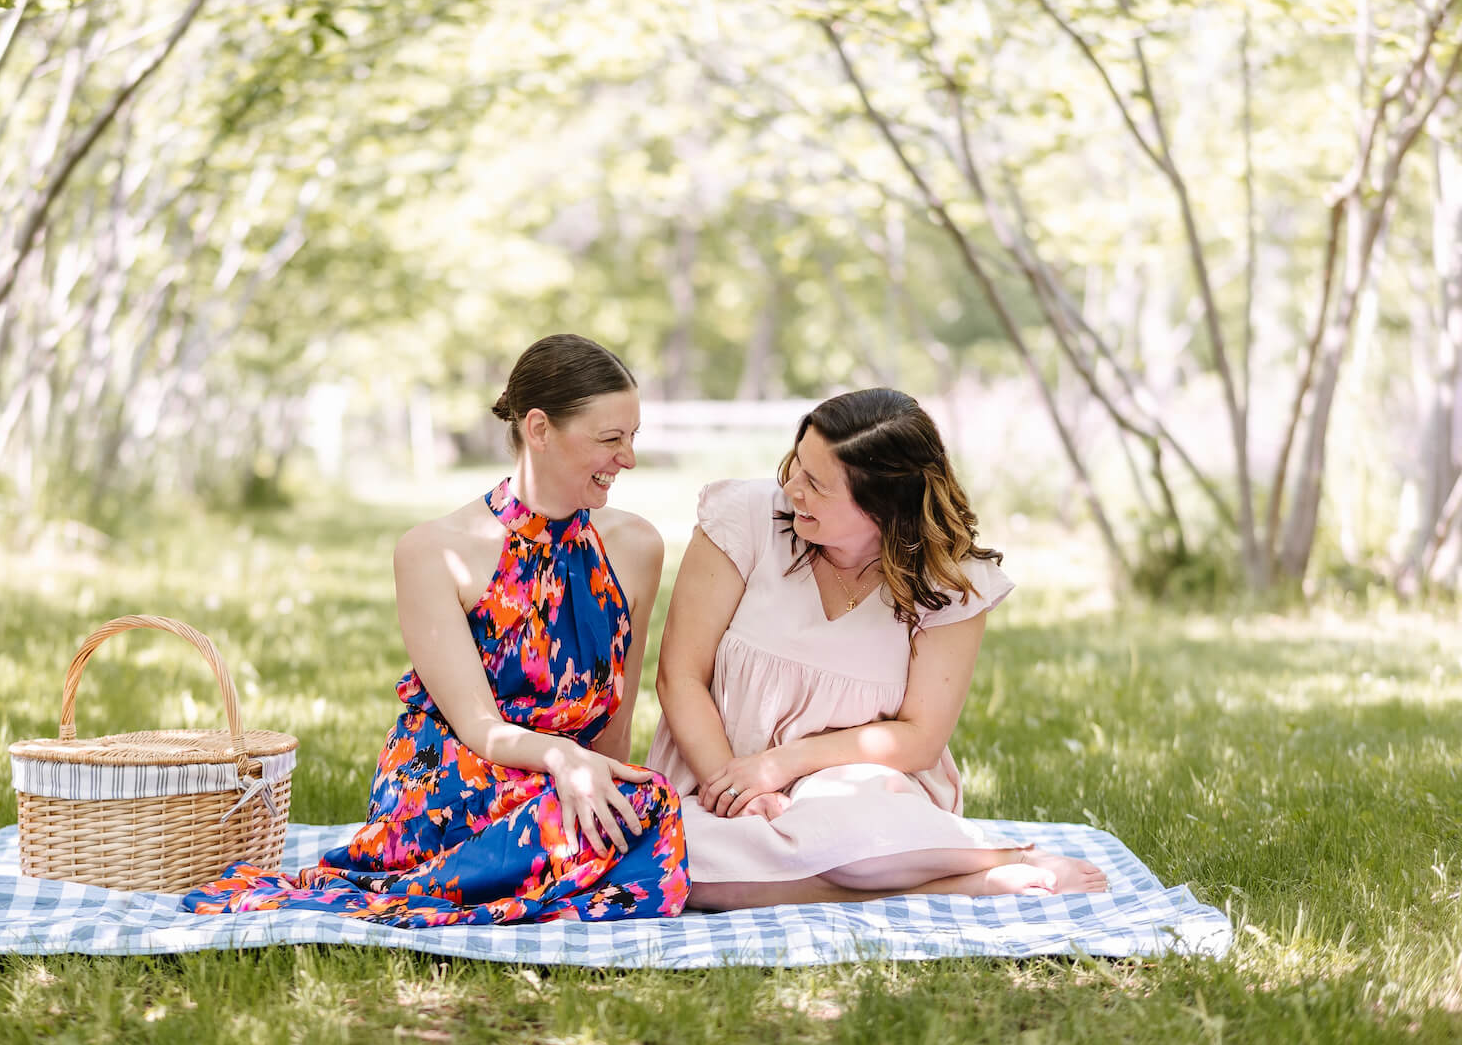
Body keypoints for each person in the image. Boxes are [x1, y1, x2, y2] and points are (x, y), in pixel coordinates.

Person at [184, 335, 689, 925]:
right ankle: (514, 885)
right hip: (456, 780)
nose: (627, 458)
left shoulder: (636, 547)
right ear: (539, 429)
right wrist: (564, 764)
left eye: (632, 437)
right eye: (610, 439)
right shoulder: (434, 550)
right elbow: (479, 728)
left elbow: (615, 722)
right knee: (638, 819)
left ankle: (544, 880)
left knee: (643, 805)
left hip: (559, 780)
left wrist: (605, 797)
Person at [647, 388, 1106, 910]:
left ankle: (974, 861)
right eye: (797, 464)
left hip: (856, 786)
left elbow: (920, 738)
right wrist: (738, 789)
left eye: (816, 485)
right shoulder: (743, 518)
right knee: (680, 864)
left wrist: (781, 765)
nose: (792, 489)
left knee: (853, 831)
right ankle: (955, 880)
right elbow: (679, 676)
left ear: (884, 507)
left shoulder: (949, 581)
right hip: (718, 774)